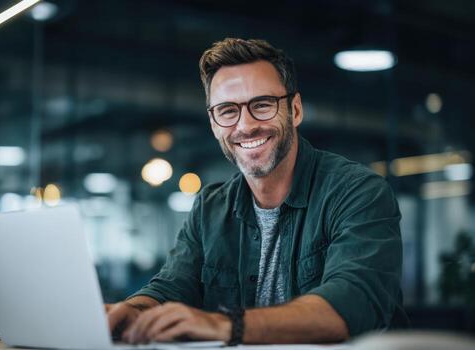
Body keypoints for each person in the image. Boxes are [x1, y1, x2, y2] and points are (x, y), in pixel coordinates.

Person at [107, 38, 407, 344]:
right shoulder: (209, 208)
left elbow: (351, 304)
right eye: (227, 111)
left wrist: (225, 325)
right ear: (214, 124)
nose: (245, 126)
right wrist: (132, 310)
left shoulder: (357, 193)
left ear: (295, 109)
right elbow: (170, 288)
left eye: (262, 105)